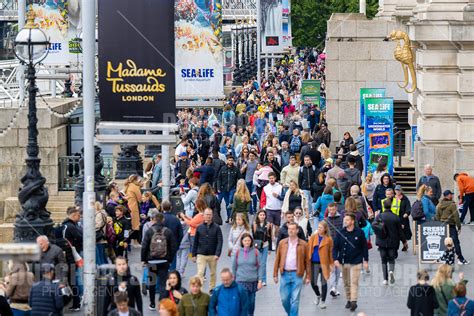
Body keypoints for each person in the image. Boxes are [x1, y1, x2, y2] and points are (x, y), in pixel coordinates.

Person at [141, 212, 178, 310]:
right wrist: (169, 259)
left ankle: (152, 303)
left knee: (152, 283)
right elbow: (174, 246)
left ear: (154, 219)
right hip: (164, 261)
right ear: (163, 220)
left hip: (151, 262)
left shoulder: (149, 231)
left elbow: (144, 246)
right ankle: (162, 303)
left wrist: (143, 259)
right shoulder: (168, 231)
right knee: (163, 283)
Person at [333, 213, 369, 312]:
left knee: (354, 281)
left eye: (347, 220)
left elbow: (364, 247)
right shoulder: (340, 233)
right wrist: (335, 259)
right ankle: (349, 299)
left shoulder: (359, 232)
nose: (345, 221)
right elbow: (335, 247)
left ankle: (353, 301)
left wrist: (365, 260)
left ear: (352, 221)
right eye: (345, 220)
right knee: (346, 283)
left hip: (356, 261)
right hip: (344, 262)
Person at [273, 222, 310, 316]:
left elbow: (307, 262)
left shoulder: (304, 244)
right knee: (284, 299)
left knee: (295, 300)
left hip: (297, 274)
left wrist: (308, 276)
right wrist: (275, 274)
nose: (291, 231)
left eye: (293, 229)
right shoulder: (282, 243)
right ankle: (291, 314)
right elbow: (277, 258)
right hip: (284, 274)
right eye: (289, 229)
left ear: (297, 230)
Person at [372, 199, 408, 285]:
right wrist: (404, 241)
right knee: (392, 259)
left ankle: (385, 279)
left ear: (383, 206)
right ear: (391, 205)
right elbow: (400, 232)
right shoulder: (395, 217)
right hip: (393, 242)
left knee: (383, 260)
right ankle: (391, 270)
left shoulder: (379, 216)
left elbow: (374, 226)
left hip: (381, 241)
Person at [232, 233, 264, 316]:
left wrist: (260, 280)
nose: (247, 242)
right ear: (242, 241)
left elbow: (260, 266)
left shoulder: (256, 252)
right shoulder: (238, 252)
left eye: (248, 240)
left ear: (251, 241)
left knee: (251, 302)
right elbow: (234, 267)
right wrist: (233, 280)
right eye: (245, 240)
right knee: (244, 302)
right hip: (241, 281)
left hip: (253, 281)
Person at [192, 208, 223, 292]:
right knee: (200, 272)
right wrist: (193, 254)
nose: (208, 216)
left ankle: (212, 289)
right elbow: (195, 241)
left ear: (212, 216)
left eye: (210, 215)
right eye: (207, 214)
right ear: (204, 216)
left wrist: (217, 253)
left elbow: (220, 241)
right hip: (201, 254)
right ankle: (200, 290)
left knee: (213, 273)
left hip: (212, 254)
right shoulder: (199, 227)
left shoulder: (217, 228)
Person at [435, 190, 469, 265]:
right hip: (451, 226)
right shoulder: (452, 204)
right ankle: (460, 259)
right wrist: (459, 226)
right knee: (456, 242)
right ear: (448, 196)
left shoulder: (439, 204)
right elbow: (456, 216)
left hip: (443, 225)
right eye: (451, 195)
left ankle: (441, 258)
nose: (452, 196)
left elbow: (437, 216)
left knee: (443, 242)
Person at [307, 221, 334, 309]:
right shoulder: (314, 237)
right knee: (313, 283)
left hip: (324, 263)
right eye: (318, 227)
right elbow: (309, 247)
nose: (319, 229)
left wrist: (331, 264)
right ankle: (318, 295)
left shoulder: (329, 239)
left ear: (325, 229)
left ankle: (323, 301)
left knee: (323, 283)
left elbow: (330, 253)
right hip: (314, 263)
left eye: (321, 228)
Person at [62, 206, 83, 311]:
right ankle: (76, 302)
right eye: (78, 215)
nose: (80, 217)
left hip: (69, 257)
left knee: (73, 281)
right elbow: (80, 237)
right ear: (74, 215)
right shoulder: (70, 227)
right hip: (70, 258)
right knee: (74, 280)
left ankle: (76, 302)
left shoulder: (67, 225)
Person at [325, 203, 343, 297]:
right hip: (330, 247)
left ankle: (335, 287)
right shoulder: (326, 220)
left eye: (333, 209)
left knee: (338, 267)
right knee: (332, 268)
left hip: (339, 246)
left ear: (336, 209)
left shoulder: (341, 219)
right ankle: (333, 287)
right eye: (330, 209)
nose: (331, 211)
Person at [217, 155, 240, 223]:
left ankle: (231, 217)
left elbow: (240, 178)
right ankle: (229, 217)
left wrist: (238, 187)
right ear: (227, 160)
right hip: (224, 189)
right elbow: (219, 179)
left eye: (232, 160)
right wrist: (218, 187)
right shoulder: (223, 168)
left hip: (232, 188)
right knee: (227, 204)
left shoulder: (236, 169)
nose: (230, 162)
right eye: (229, 160)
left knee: (230, 201)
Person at [161, 200, 183, 270]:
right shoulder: (176, 219)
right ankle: (172, 277)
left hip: (162, 245)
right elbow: (180, 234)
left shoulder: (160, 219)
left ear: (162, 208)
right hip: (173, 244)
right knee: (173, 264)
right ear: (171, 207)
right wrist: (177, 243)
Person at [262, 172, 284, 243]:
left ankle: (276, 239)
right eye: (270, 178)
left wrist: (277, 196)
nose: (271, 180)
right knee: (269, 226)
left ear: (275, 178)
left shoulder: (280, 187)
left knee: (277, 227)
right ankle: (271, 241)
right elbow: (263, 199)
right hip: (269, 209)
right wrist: (263, 208)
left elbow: (283, 198)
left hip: (278, 209)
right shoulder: (265, 188)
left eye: (272, 178)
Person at [253, 210, 271, 285]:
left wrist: (270, 248)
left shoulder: (268, 224)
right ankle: (257, 278)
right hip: (257, 246)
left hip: (265, 245)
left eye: (263, 215)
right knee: (258, 263)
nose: (262, 216)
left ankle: (263, 279)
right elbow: (253, 235)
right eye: (261, 215)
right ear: (258, 216)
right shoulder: (254, 224)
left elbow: (270, 236)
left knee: (263, 263)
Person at [124, 174, 143, 246]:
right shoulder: (135, 187)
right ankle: (135, 242)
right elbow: (140, 199)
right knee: (135, 225)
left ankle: (126, 241)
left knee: (127, 226)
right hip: (133, 207)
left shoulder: (128, 185)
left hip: (127, 207)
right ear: (135, 180)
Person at [95, 201, 109, 265]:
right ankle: (106, 271)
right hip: (101, 237)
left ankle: (103, 271)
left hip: (99, 238)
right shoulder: (102, 214)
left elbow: (98, 226)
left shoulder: (99, 215)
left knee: (100, 256)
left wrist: (89, 228)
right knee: (103, 256)